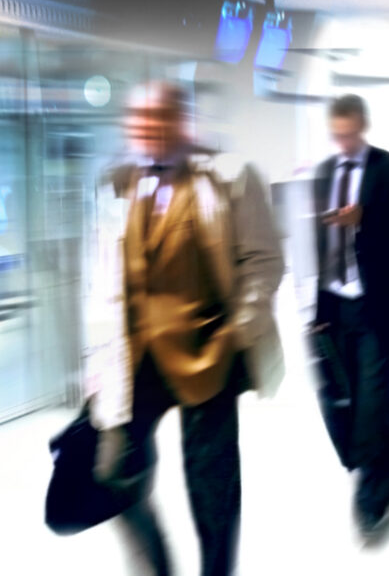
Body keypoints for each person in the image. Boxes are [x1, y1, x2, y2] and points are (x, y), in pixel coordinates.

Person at [86, 82, 286, 576]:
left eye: (159, 117)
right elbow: (102, 278)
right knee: (114, 474)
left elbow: (263, 261)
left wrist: (238, 331)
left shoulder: (230, 176)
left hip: (209, 351)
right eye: (139, 120)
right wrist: (96, 360)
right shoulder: (117, 182)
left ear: (182, 121)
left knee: (212, 486)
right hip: (137, 357)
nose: (148, 128)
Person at [310, 94, 389, 535]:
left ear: (362, 127)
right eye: (336, 135)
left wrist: (366, 217)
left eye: (349, 134)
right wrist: (319, 306)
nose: (343, 142)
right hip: (337, 298)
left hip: (378, 299)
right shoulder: (325, 172)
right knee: (364, 386)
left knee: (370, 390)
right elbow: (319, 243)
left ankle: (372, 489)